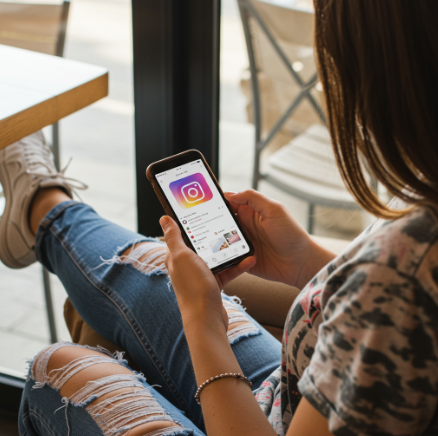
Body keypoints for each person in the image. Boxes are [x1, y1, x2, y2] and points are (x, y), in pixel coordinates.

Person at [3, 1, 438, 435]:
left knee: (55, 367)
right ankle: (43, 206)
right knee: (154, 261)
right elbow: (381, 304)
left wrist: (203, 324)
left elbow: (389, 297)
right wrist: (308, 262)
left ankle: (40, 202)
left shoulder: (398, 273)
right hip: (293, 389)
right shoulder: (412, 237)